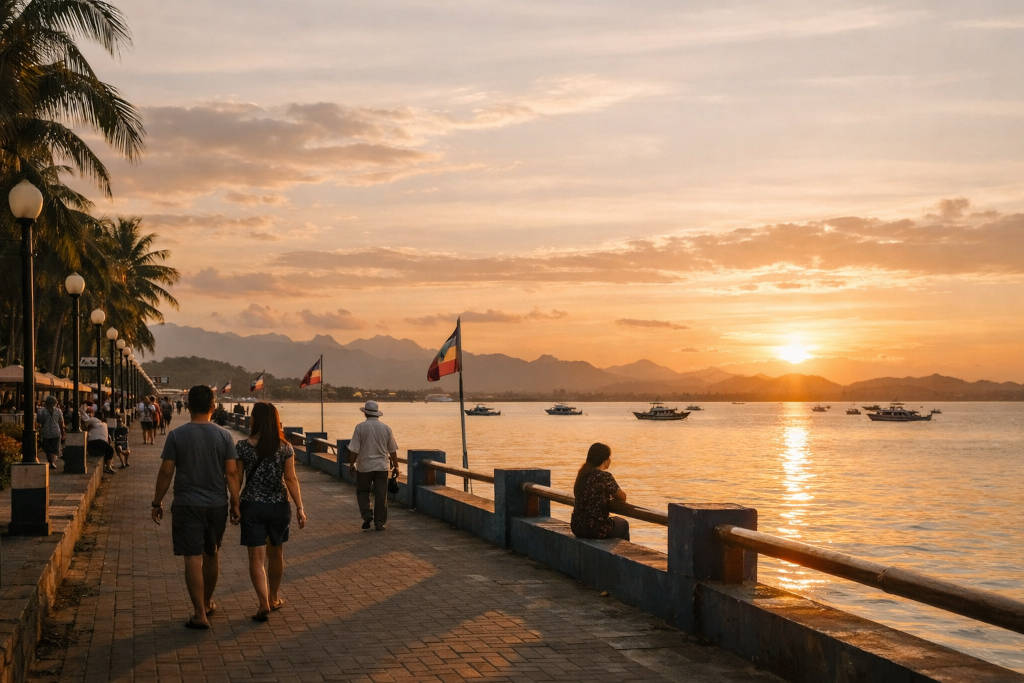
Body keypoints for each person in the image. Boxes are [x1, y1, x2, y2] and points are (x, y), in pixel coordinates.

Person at [151, 385, 240, 630]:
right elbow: (232, 473)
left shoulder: (177, 436)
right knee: (212, 553)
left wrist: (157, 502)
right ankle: (208, 601)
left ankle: (199, 612)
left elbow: (166, 471)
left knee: (192, 557)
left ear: (188, 406)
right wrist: (235, 503)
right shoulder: (224, 436)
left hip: (187, 504)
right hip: (217, 504)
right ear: (213, 406)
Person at [233, 402, 306, 622]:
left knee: (256, 558)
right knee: (276, 554)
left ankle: (263, 602)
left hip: (252, 506)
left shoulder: (243, 446)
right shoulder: (285, 447)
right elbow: (291, 479)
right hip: (279, 506)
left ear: (254, 419)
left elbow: (236, 478)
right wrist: (300, 507)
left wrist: (234, 504)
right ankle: (274, 597)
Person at [346, 400, 398, 531]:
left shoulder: (360, 427)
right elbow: (392, 450)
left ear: (365, 414)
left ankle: (367, 515)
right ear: (377, 414)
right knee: (381, 495)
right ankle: (379, 523)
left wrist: (351, 464)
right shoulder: (386, 428)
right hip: (382, 467)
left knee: (363, 492)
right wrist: (396, 466)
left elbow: (354, 450)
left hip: (364, 467)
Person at [570, 442, 630, 541]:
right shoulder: (605, 476)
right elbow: (622, 497)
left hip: (577, 527)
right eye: (609, 457)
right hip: (595, 529)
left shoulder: (582, 475)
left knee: (616, 522)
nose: (610, 460)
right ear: (604, 460)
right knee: (623, 524)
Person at [82, 406, 116, 474]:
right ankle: (108, 467)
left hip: (93, 443)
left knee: (108, 450)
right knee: (110, 450)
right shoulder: (102, 424)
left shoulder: (95, 421)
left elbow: (85, 420)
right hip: (98, 442)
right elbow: (85, 420)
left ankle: (108, 466)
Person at [37, 395, 65, 470]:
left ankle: (51, 462)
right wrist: (63, 433)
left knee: (48, 449)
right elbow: (61, 423)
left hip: (46, 432)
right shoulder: (58, 411)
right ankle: (52, 462)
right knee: (54, 448)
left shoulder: (41, 411)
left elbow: (39, 421)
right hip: (56, 431)